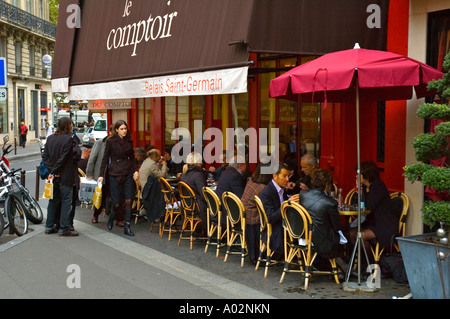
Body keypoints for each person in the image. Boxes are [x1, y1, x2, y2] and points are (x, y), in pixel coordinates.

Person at [349, 161, 397, 263]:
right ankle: (358, 264)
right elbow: (356, 204)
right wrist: (358, 189)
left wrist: (361, 191)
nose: (356, 176)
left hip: (384, 224)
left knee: (359, 237)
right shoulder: (366, 187)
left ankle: (370, 264)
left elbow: (369, 206)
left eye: (359, 173)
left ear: (366, 175)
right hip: (372, 223)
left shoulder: (378, 186)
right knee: (351, 233)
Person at [98, 120, 139, 236]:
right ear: (116, 130)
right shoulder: (110, 142)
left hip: (127, 172)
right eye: (121, 129)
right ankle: (111, 217)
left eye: (125, 128)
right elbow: (105, 159)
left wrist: (135, 170)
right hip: (114, 173)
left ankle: (127, 226)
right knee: (116, 203)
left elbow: (132, 158)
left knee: (128, 200)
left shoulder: (129, 141)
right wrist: (101, 175)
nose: (124, 131)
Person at [42, 117, 81, 237]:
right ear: (68, 125)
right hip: (65, 175)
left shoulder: (50, 138)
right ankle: (64, 228)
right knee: (66, 202)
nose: (72, 126)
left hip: (54, 176)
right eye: (71, 124)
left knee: (53, 201)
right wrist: (55, 171)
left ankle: (49, 226)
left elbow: (45, 157)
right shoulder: (68, 139)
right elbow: (64, 158)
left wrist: (52, 171)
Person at [300, 168, 344, 261]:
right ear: (327, 184)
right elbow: (337, 226)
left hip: (304, 236)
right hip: (323, 241)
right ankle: (340, 266)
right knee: (344, 233)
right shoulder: (331, 203)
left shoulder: (303, 196)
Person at [259, 162, 300, 260]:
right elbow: (271, 217)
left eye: (288, 176)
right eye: (284, 176)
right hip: (275, 229)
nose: (287, 179)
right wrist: (286, 205)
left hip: (284, 224)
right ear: (275, 176)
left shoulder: (281, 189)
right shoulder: (267, 192)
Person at [240, 163, 273, 264]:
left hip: (245, 217)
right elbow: (270, 207)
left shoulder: (251, 182)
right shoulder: (263, 188)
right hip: (255, 219)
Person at [86, 125, 115, 224]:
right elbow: (92, 158)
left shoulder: (118, 143)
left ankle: (116, 218)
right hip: (102, 173)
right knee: (101, 196)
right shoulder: (100, 142)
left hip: (115, 173)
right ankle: (95, 215)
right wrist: (89, 173)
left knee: (116, 196)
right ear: (110, 132)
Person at [180, 152, 208, 235]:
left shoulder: (184, 174)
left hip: (186, 206)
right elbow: (203, 194)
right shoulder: (198, 175)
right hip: (197, 207)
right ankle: (214, 232)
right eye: (201, 161)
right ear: (198, 163)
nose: (202, 163)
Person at [215, 155, 248, 225]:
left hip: (220, 208)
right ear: (240, 166)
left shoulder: (226, 172)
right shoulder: (235, 176)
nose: (247, 166)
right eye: (246, 164)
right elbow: (241, 197)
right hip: (229, 212)